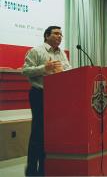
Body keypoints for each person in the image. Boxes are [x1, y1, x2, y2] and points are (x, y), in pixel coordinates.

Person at [22, 26, 72, 176]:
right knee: (38, 133)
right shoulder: (36, 51)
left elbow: (69, 70)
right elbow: (25, 71)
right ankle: (31, 170)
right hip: (39, 94)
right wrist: (45, 68)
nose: (60, 36)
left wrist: (63, 72)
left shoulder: (61, 53)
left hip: (56, 97)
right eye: (56, 33)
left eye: (61, 34)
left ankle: (44, 169)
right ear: (46, 35)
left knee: (50, 134)